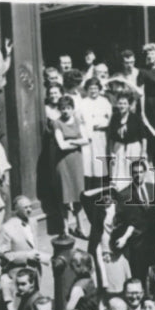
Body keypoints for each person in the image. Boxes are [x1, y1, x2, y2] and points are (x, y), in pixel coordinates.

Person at [115, 160, 155, 283]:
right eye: (135, 173)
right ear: (131, 174)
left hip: (154, 241)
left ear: (145, 173)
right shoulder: (124, 194)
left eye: (141, 172)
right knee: (139, 276)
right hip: (137, 244)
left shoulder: (153, 189)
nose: (138, 175)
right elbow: (119, 220)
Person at [52, 96, 89, 239]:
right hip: (63, 163)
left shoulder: (78, 121)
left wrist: (71, 141)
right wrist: (77, 142)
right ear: (59, 110)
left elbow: (87, 140)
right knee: (65, 196)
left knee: (79, 196)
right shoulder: (57, 123)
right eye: (63, 108)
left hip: (76, 162)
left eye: (68, 108)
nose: (66, 111)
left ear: (72, 109)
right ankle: (65, 229)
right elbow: (61, 145)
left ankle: (81, 227)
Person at [108, 90, 145, 184]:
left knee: (133, 172)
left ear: (129, 105)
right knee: (119, 173)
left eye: (125, 103)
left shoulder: (135, 118)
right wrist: (111, 152)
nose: (122, 106)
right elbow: (111, 137)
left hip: (133, 148)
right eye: (120, 103)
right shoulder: (115, 117)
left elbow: (143, 136)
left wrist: (143, 152)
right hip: (119, 148)